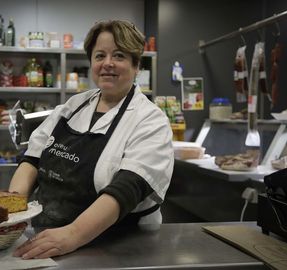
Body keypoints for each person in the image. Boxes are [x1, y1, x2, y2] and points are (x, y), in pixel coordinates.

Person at [9, 20, 174, 259]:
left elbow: (127, 188)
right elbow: (32, 160)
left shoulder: (150, 121)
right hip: (48, 237)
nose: (107, 63)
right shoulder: (73, 107)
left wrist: (73, 234)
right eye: (100, 56)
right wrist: (11, 211)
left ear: (136, 64)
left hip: (118, 248)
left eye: (119, 55)